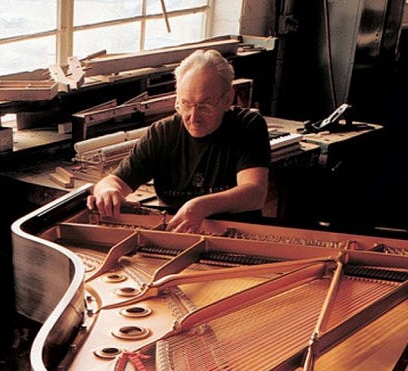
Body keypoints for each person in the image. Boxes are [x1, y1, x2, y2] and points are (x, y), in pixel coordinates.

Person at [86, 49, 271, 233]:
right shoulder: (162, 133)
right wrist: (106, 191)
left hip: (237, 235)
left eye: (204, 106)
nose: (193, 117)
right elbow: (113, 182)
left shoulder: (248, 126)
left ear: (228, 99)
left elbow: (254, 193)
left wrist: (202, 206)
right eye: (185, 104)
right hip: (175, 236)